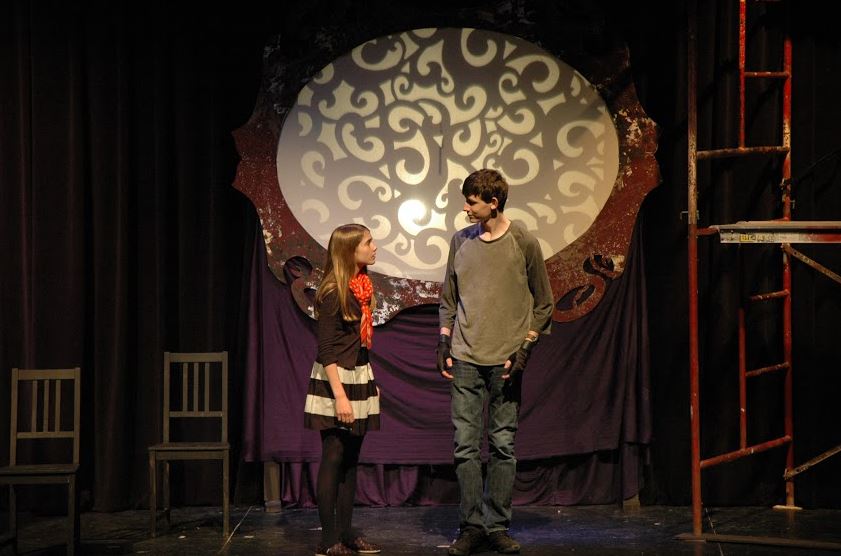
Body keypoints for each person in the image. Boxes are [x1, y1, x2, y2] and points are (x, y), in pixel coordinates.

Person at [437, 169, 554, 555]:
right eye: (466, 199)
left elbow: (544, 303)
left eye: (472, 201)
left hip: (506, 361)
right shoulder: (461, 241)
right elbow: (449, 298)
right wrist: (443, 339)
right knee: (465, 447)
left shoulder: (522, 241)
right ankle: (471, 526)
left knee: (502, 446)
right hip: (467, 357)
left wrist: (525, 349)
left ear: (494, 203)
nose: (466, 207)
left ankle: (498, 526)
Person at [304, 223, 382, 556]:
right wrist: (340, 397)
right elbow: (327, 349)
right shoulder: (333, 291)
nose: (374, 246)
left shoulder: (362, 286)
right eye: (368, 242)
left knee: (351, 459)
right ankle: (328, 539)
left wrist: (369, 383)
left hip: (358, 375)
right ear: (350, 251)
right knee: (334, 455)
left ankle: (347, 532)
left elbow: (357, 344)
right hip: (335, 380)